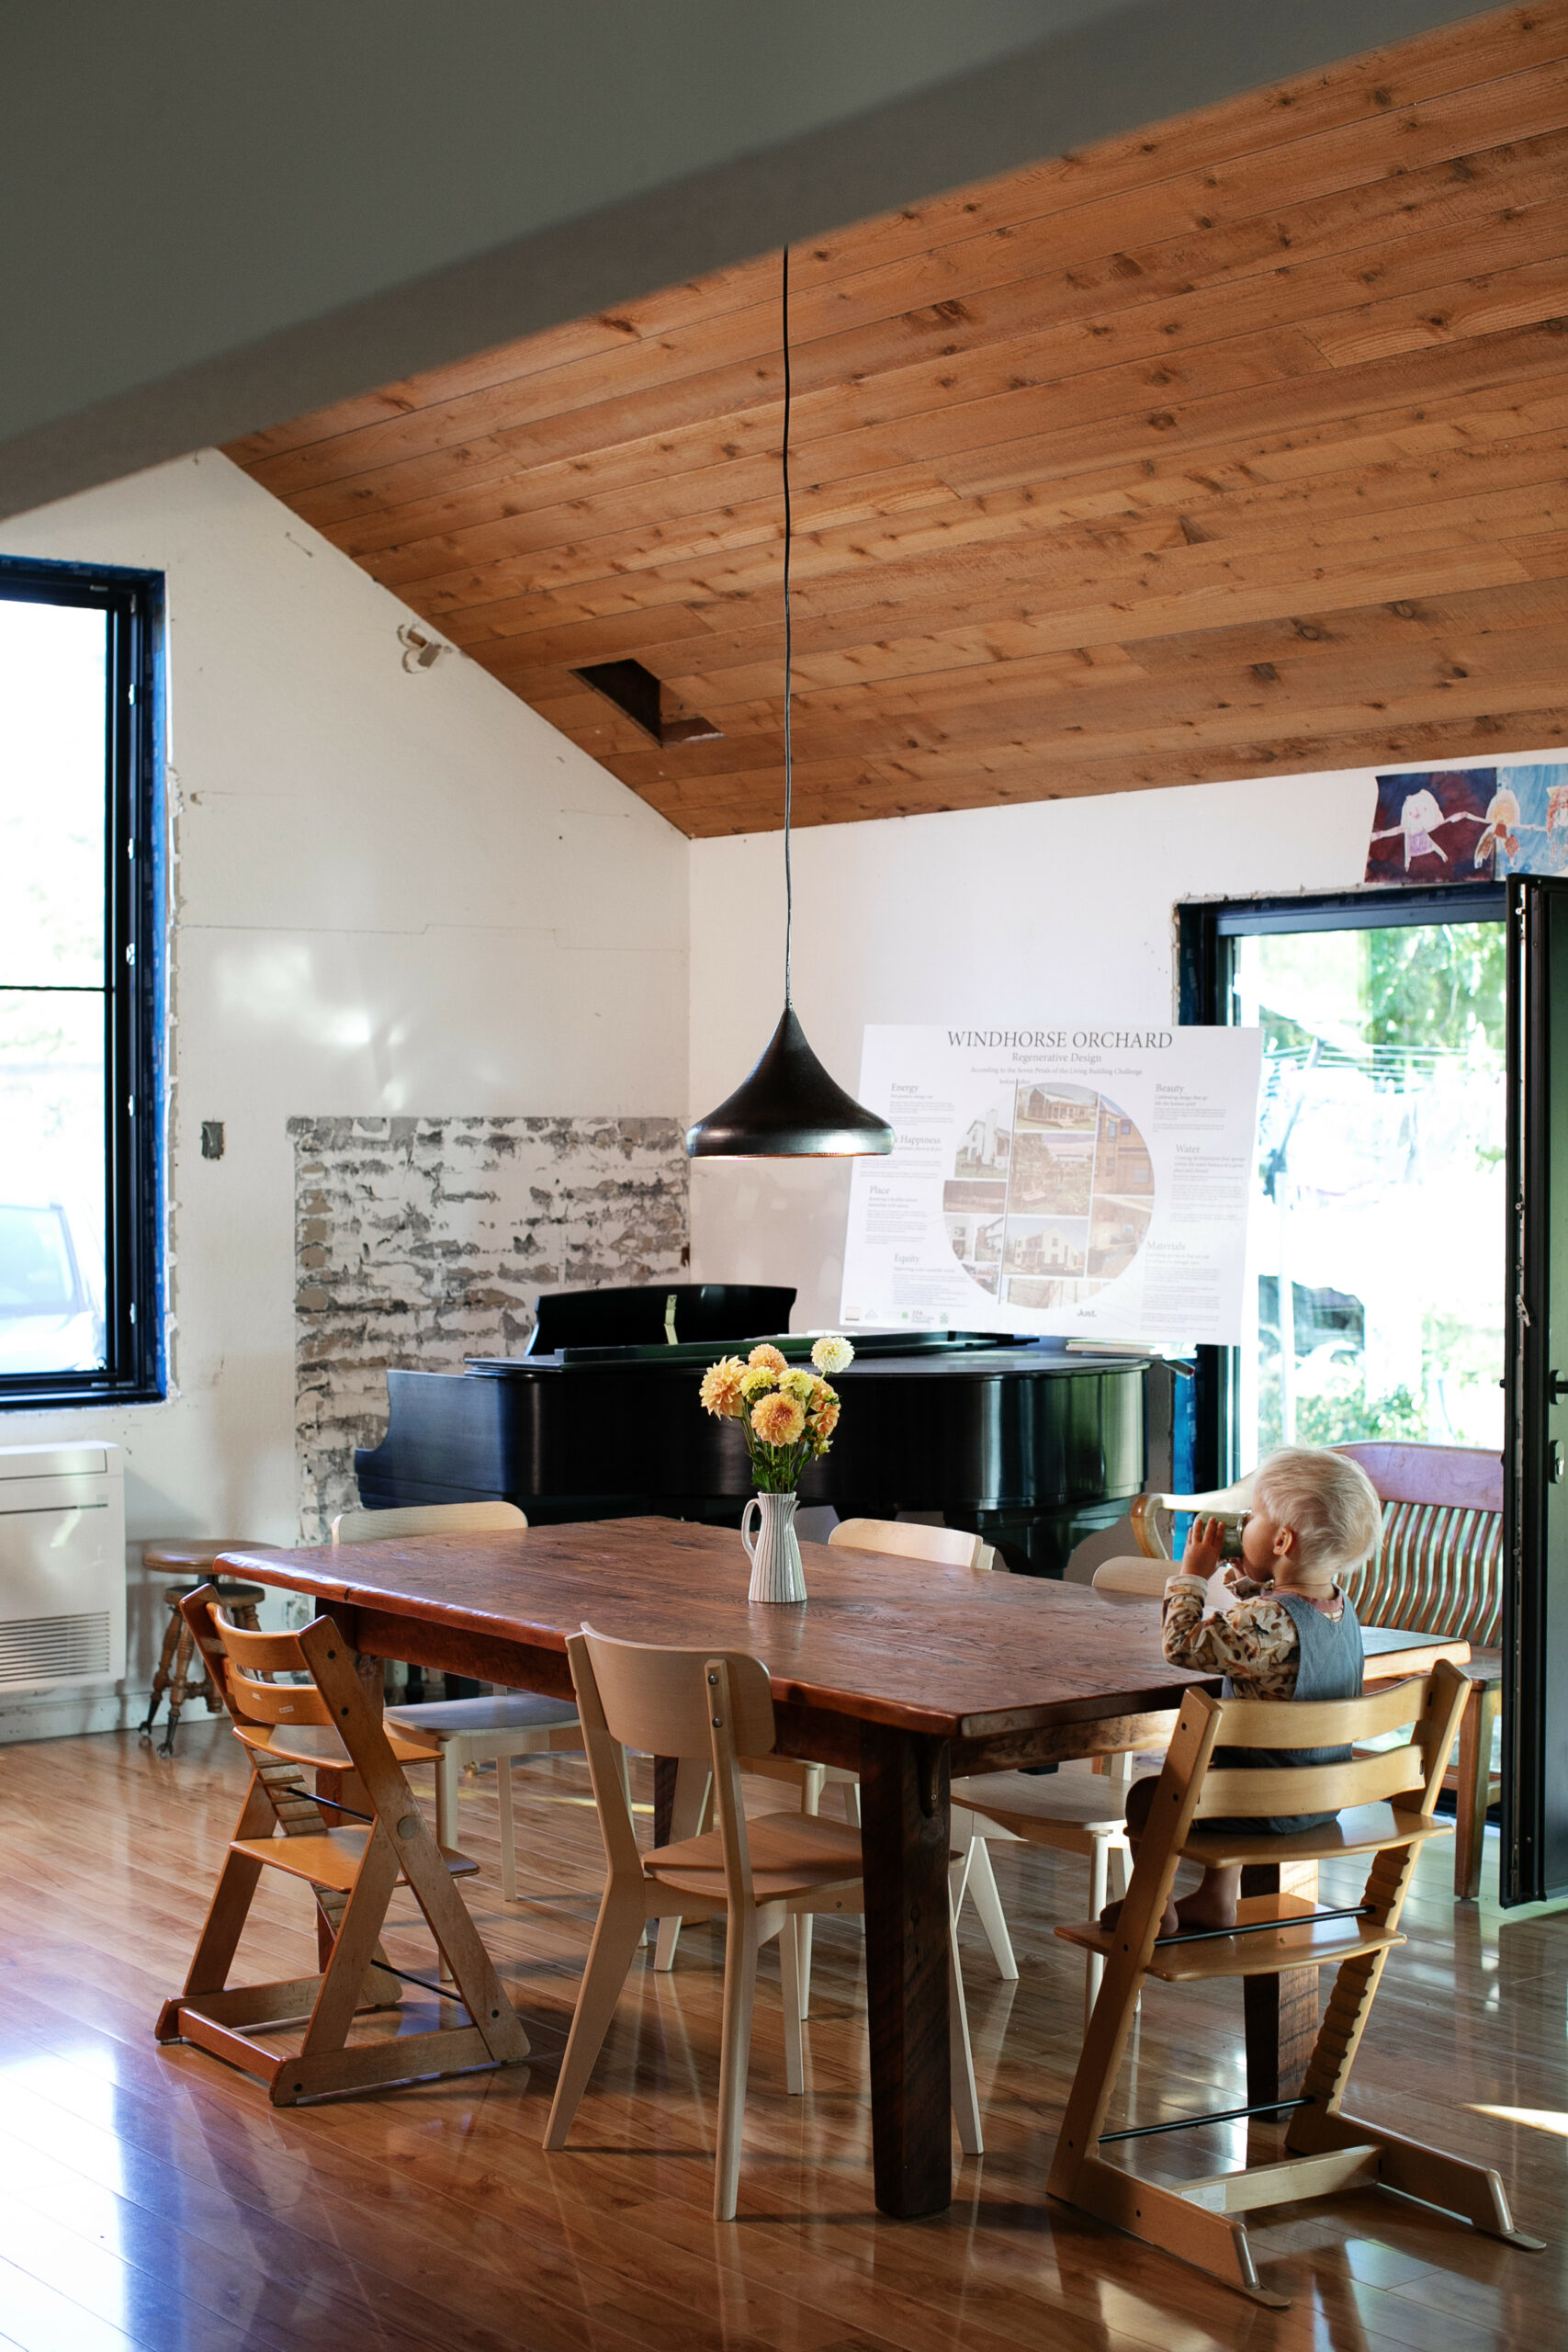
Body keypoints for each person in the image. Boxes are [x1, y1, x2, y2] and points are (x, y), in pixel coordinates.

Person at [1105, 1445, 1382, 1939]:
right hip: (1319, 1796)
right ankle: (1215, 1900)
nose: (1243, 1522)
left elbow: (1182, 1645)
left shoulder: (1264, 1623)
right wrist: (1244, 1579)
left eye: (1252, 1515)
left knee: (1150, 1799)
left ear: (1281, 1540)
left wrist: (1192, 1573)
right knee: (1229, 1770)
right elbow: (1270, 1633)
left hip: (1259, 1803)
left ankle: (1154, 1907)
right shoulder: (1340, 1610)